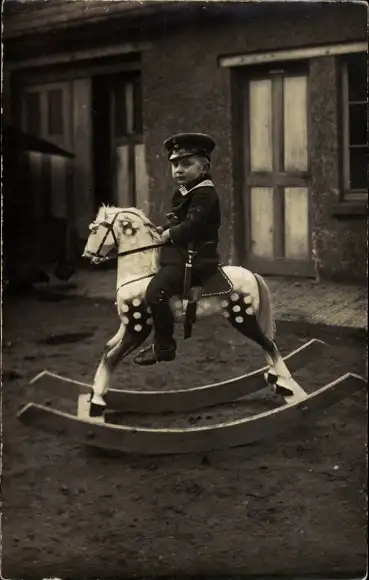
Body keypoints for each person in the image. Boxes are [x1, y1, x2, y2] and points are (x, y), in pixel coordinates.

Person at [134, 132, 221, 366]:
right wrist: (160, 228)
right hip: (181, 253)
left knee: (155, 292)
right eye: (175, 164)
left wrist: (169, 234)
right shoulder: (185, 190)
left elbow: (193, 225)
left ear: (203, 168)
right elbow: (178, 220)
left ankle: (164, 346)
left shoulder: (205, 193)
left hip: (198, 257)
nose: (178, 170)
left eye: (186, 164)